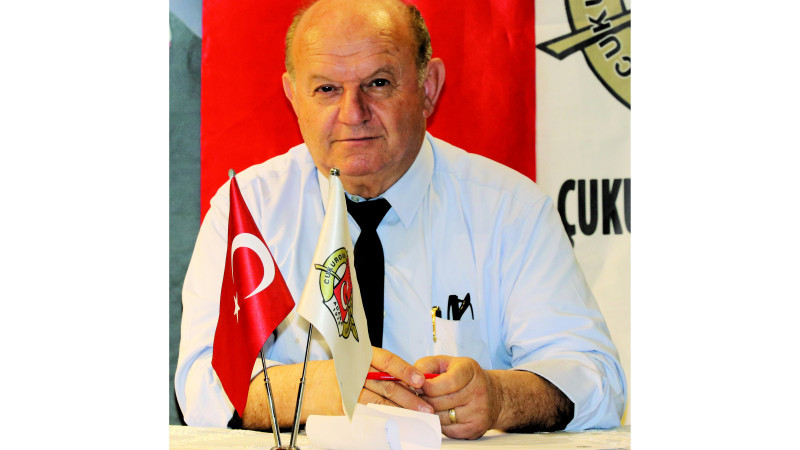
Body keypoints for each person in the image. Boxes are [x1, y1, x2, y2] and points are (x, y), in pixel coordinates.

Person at [175, 0, 626, 440]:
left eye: (378, 83)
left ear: (428, 88)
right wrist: (322, 388)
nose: (352, 114)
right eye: (327, 89)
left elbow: (594, 377)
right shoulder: (248, 210)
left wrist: (499, 396)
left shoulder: (510, 210)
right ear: (294, 97)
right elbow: (200, 382)